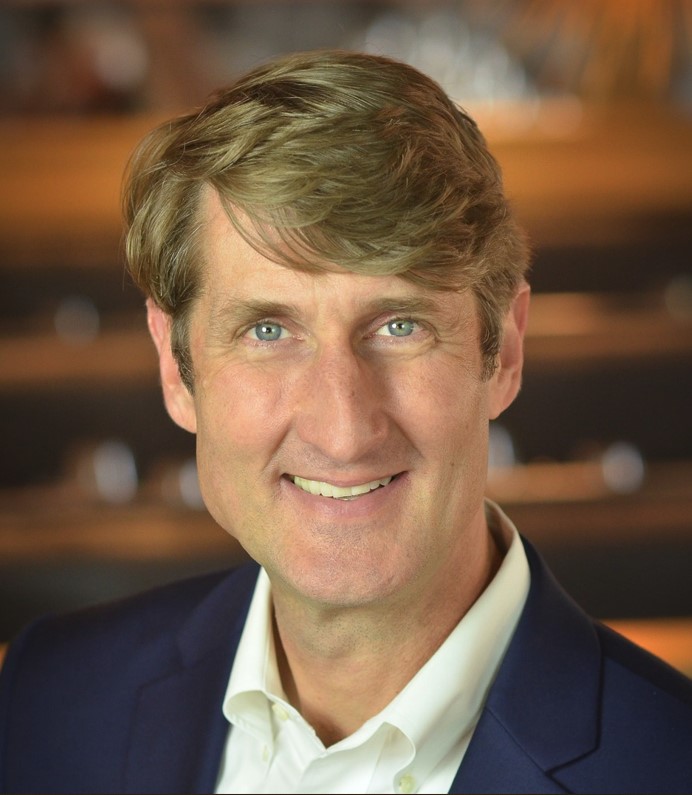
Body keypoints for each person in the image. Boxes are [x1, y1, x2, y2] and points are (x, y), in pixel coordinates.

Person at [1, 50, 691, 795]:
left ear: (506, 351)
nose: (342, 430)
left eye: (400, 326)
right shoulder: (50, 700)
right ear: (176, 367)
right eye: (268, 330)